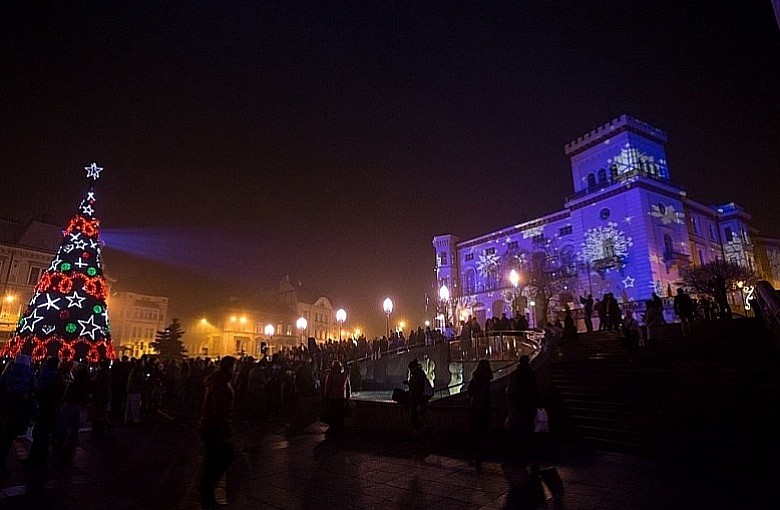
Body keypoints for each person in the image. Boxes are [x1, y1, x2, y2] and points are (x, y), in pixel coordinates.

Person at [199, 355, 236, 509]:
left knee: (215, 460)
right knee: (220, 459)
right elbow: (219, 408)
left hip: (211, 426)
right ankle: (206, 493)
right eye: (234, 367)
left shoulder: (219, 381)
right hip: (214, 427)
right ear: (228, 368)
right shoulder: (220, 385)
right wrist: (224, 427)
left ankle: (208, 493)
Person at [0, 353, 35, 475]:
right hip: (19, 412)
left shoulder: (8, 374)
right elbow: (32, 394)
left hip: (6, 409)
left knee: (5, 436)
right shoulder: (29, 376)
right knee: (8, 438)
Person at [467, 359, 493, 472]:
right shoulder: (487, 380)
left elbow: (470, 391)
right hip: (484, 407)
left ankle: (472, 454)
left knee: (474, 431)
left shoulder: (475, 378)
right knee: (483, 431)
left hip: (475, 406)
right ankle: (481, 454)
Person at [506, 355, 540, 440]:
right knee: (528, 420)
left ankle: (519, 438)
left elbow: (511, 388)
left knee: (519, 420)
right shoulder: (530, 373)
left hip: (518, 401)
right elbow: (534, 387)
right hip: (528, 400)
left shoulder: (515, 374)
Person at [323, 360, 351, 433]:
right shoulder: (344, 375)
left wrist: (326, 397)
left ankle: (333, 430)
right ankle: (340, 430)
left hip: (333, 399)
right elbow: (348, 387)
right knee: (340, 416)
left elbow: (328, 387)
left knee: (333, 416)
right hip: (341, 399)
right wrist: (348, 397)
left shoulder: (330, 375)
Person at [406, 359, 428, 436]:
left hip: (418, 400)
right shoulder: (417, 375)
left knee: (416, 417)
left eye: (411, 369)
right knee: (416, 417)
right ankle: (418, 433)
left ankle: (419, 434)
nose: (410, 371)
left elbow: (418, 389)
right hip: (417, 400)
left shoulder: (418, 376)